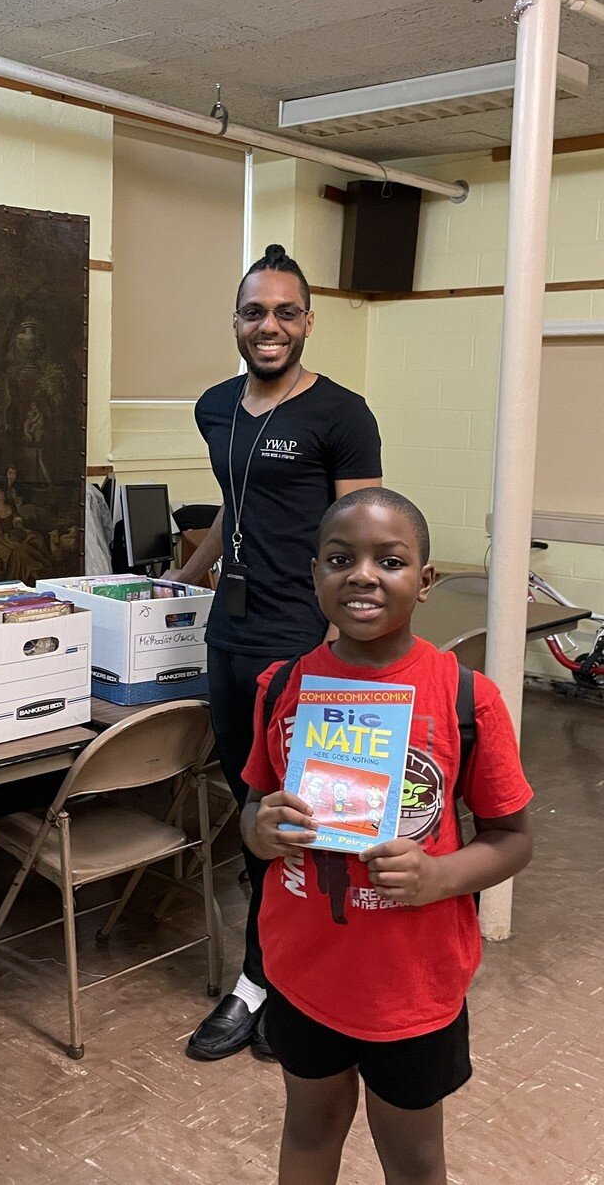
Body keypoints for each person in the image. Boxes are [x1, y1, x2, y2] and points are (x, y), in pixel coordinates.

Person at [243, 487, 533, 1184]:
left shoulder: (467, 697)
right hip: (302, 968)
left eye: (391, 560)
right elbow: (254, 806)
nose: (363, 574)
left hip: (412, 985)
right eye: (340, 558)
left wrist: (440, 876)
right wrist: (262, 831)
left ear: (424, 582)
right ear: (315, 574)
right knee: (309, 1130)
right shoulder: (284, 684)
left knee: (412, 1156)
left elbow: (514, 838)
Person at [178, 244, 382, 1062]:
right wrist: (183, 574)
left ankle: (300, 983)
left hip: (306, 644)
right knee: (254, 813)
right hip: (231, 638)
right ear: (237, 322)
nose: (270, 326)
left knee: (318, 821)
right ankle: (265, 979)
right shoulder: (215, 407)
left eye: (286, 312)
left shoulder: (341, 414)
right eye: (255, 312)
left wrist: (343, 642)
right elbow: (238, 508)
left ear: (306, 322)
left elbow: (357, 540)